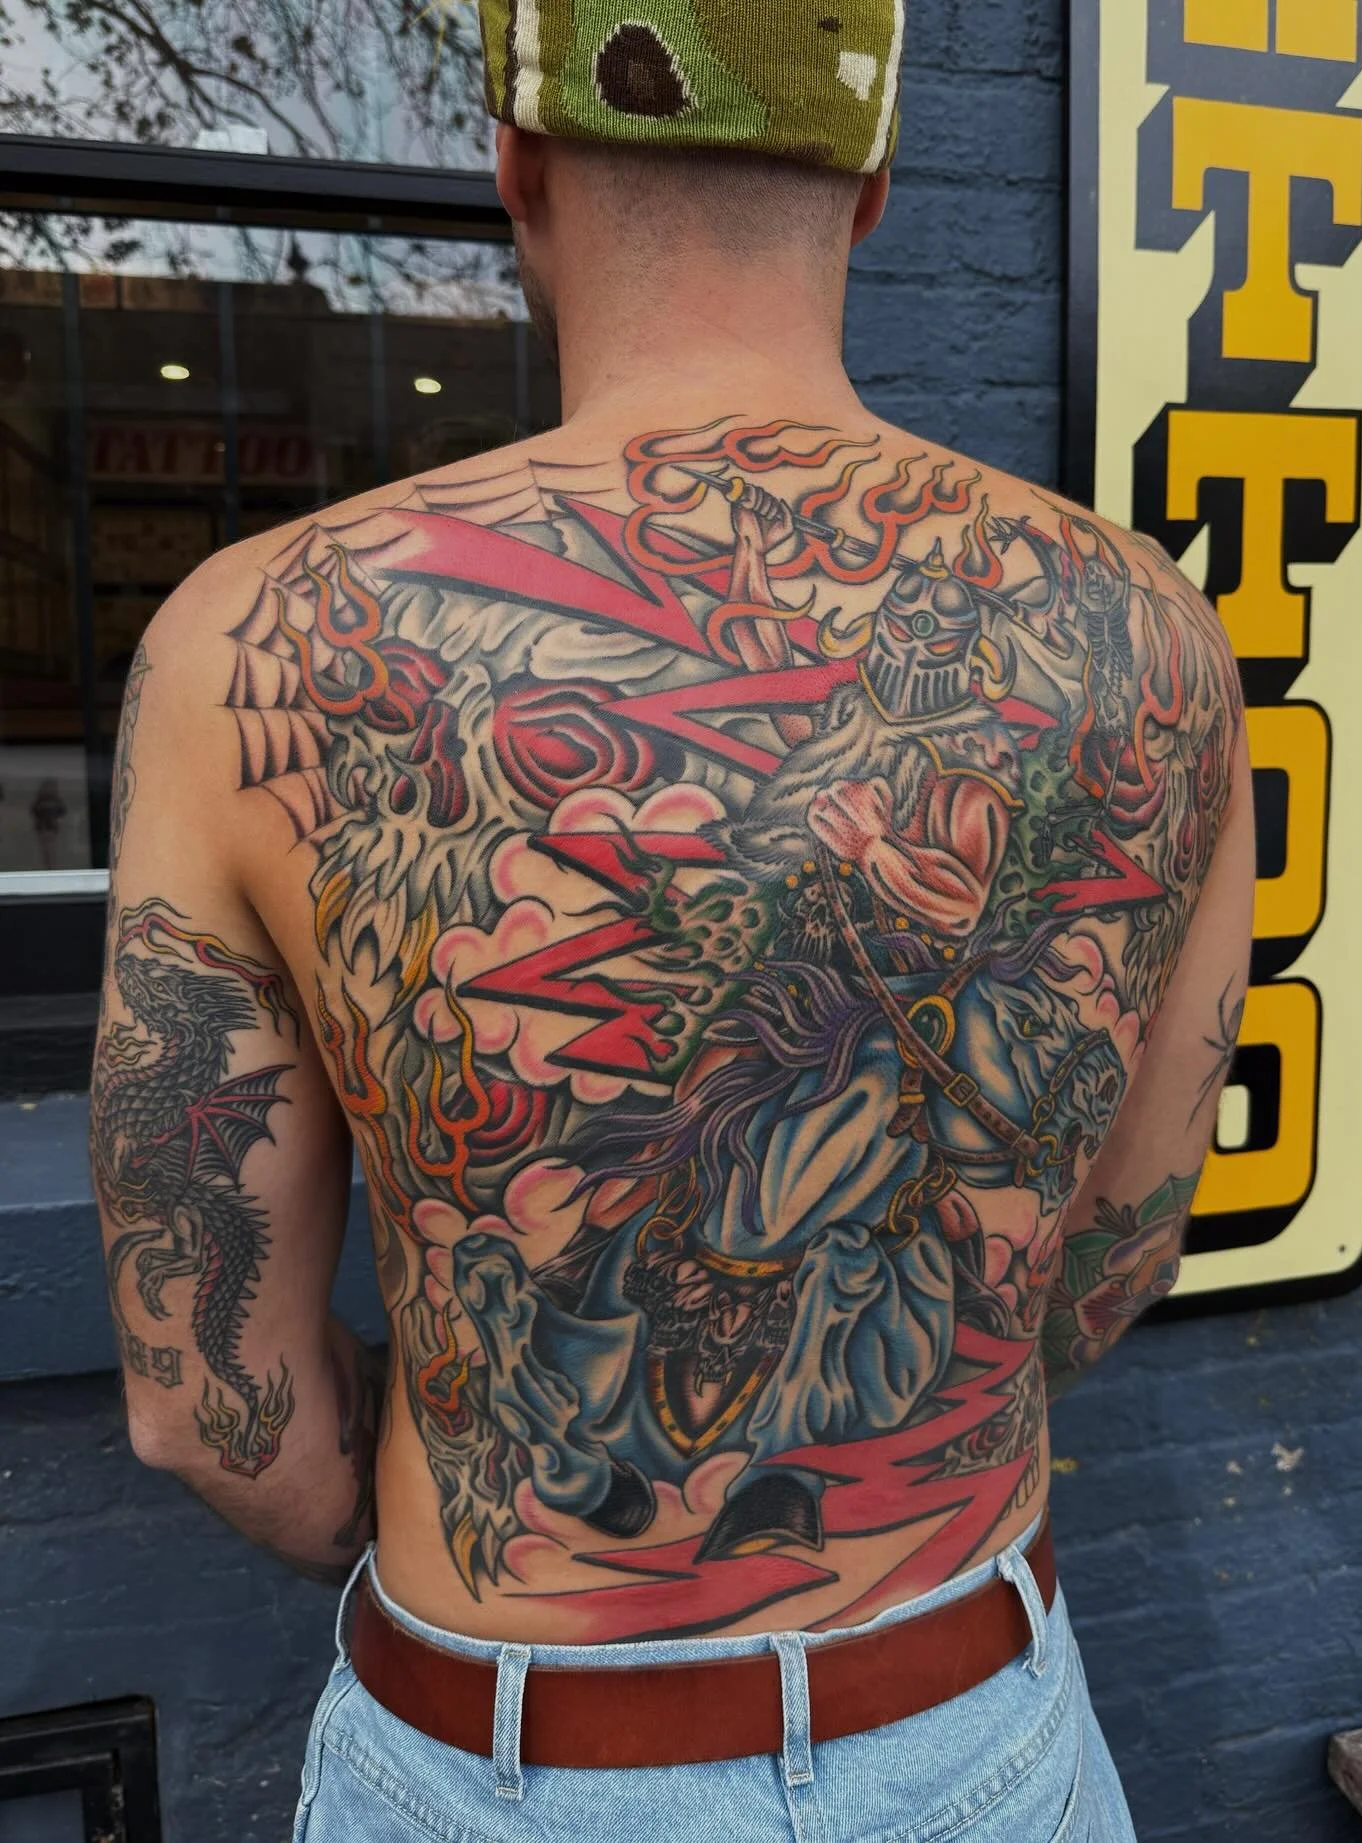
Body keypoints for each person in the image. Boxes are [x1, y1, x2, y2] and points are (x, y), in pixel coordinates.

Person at [89, 5, 1254, 1839]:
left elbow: (206, 1399)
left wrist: (465, 1496)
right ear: (873, 190)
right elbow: (1113, 1252)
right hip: (971, 1724)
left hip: (492, 1754)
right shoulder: (1153, 644)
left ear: (516, 170)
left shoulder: (252, 648)